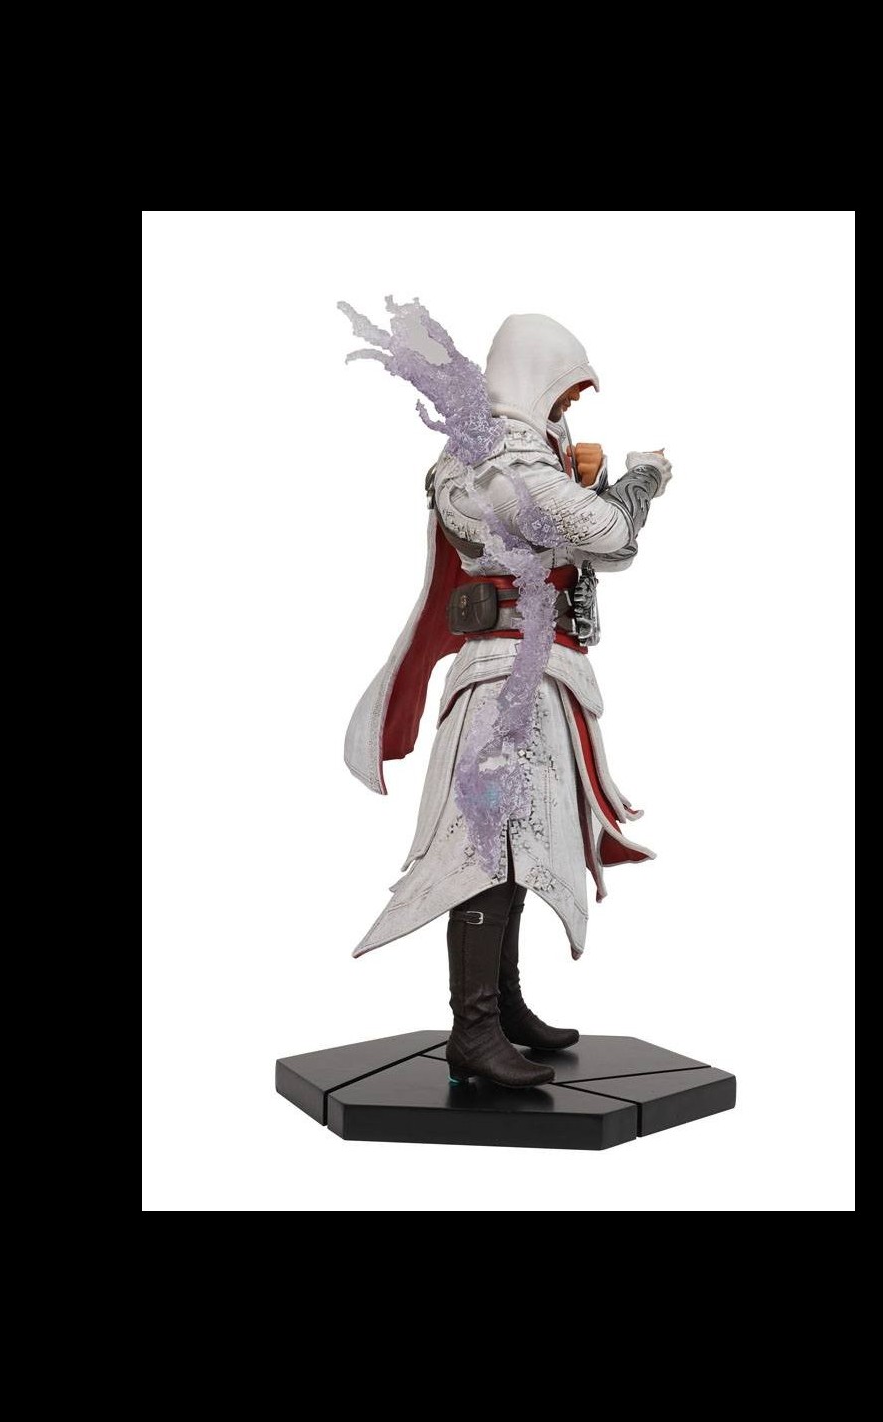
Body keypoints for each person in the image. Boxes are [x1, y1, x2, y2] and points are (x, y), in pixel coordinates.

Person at [344, 312, 671, 1089]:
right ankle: (475, 1029)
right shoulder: (507, 462)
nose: (568, 408)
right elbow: (610, 536)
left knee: (521, 842)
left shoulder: (493, 458)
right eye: (565, 392)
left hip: (532, 666)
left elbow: (559, 539)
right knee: (487, 850)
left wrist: (583, 479)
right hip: (505, 677)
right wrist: (642, 477)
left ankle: (504, 1007)